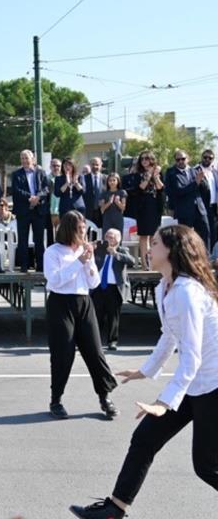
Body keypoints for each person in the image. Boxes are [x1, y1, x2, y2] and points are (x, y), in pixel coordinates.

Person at [69, 224, 218, 519]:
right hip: (194, 383)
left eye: (156, 244)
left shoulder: (187, 293)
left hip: (212, 385)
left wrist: (164, 403)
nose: (148, 249)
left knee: (206, 466)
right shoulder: (165, 286)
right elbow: (169, 335)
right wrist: (146, 370)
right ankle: (115, 508)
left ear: (172, 252)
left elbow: (193, 357)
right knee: (144, 438)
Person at [44, 211, 118, 420]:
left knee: (95, 351)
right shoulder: (53, 252)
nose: (84, 232)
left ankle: (105, 397)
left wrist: (88, 263)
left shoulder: (85, 250)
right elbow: (55, 280)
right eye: (80, 228)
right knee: (63, 354)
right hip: (61, 303)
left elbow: (93, 283)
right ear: (70, 229)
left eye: (85, 228)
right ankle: (56, 399)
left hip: (84, 302)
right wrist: (78, 262)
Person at [91, 229, 135, 351]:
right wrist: (91, 247)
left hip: (114, 287)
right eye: (107, 237)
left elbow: (132, 261)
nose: (108, 239)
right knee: (97, 315)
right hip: (99, 286)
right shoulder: (100, 249)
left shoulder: (122, 250)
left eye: (111, 237)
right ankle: (95, 341)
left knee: (113, 316)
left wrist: (115, 253)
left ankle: (112, 341)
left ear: (118, 239)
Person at [123, 151, 165, 270]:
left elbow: (161, 188)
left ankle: (154, 262)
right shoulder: (138, 174)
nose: (144, 161)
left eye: (147, 159)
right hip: (143, 206)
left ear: (152, 159)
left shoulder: (158, 172)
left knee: (154, 235)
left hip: (155, 205)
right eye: (142, 159)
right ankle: (145, 264)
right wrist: (147, 177)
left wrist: (155, 176)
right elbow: (139, 189)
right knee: (144, 235)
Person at [11, 149, 50, 273]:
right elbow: (16, 190)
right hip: (23, 211)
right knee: (22, 240)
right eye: (22, 158)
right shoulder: (16, 174)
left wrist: (38, 197)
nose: (24, 161)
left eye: (26, 158)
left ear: (33, 159)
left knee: (39, 240)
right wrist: (30, 198)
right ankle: (24, 266)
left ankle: (41, 266)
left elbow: (47, 188)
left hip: (39, 211)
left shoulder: (41, 172)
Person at [165, 149, 211, 247]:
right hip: (184, 211)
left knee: (205, 233)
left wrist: (202, 181)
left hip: (199, 209)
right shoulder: (171, 173)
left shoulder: (195, 170)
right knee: (184, 238)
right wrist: (196, 182)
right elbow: (178, 191)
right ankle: (186, 260)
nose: (181, 161)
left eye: (183, 159)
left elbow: (205, 190)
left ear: (188, 159)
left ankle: (205, 258)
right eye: (178, 160)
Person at [198, 149, 218, 248]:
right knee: (205, 233)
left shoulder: (215, 171)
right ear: (202, 157)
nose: (207, 159)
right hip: (202, 206)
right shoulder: (196, 170)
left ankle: (213, 257)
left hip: (214, 206)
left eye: (210, 158)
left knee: (214, 232)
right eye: (205, 157)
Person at [83, 157, 105, 227]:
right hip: (88, 211)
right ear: (90, 165)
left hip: (102, 211)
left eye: (97, 164)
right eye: (93, 164)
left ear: (101, 165)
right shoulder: (83, 178)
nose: (95, 166)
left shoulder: (106, 178)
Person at [48, 158, 63, 242]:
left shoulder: (64, 179)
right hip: (49, 211)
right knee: (50, 236)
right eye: (54, 165)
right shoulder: (45, 178)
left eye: (58, 166)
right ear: (50, 166)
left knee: (60, 236)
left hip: (61, 211)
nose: (56, 167)